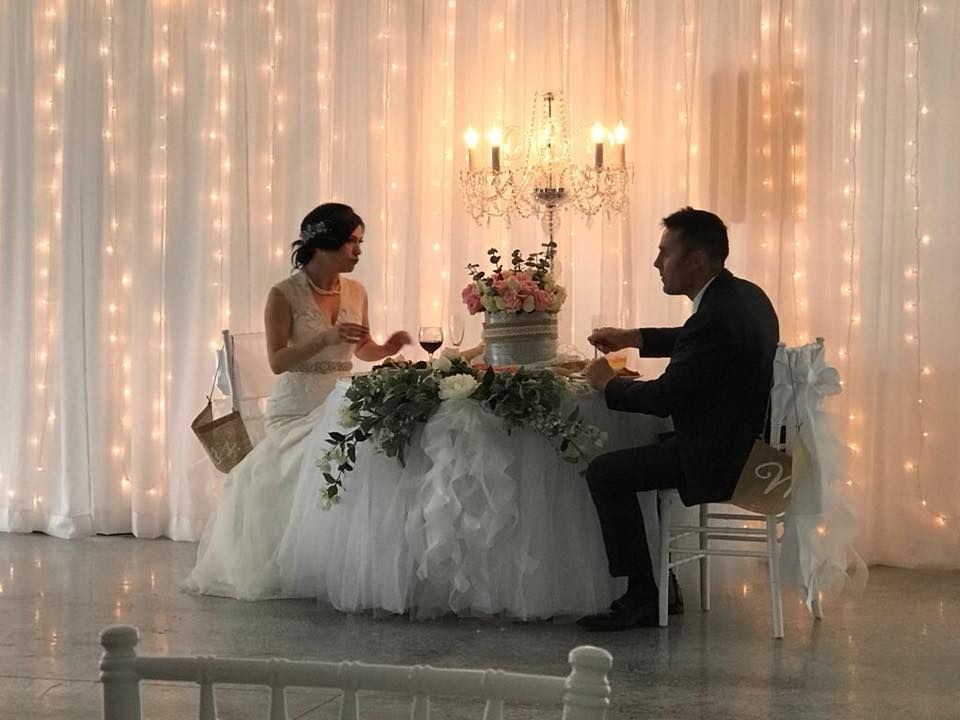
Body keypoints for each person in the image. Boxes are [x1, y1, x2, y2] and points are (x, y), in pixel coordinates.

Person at [183, 203, 410, 599]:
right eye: (352, 243)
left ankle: (342, 561)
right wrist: (322, 339)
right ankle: (298, 561)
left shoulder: (357, 291)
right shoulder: (283, 294)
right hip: (295, 408)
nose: (359, 251)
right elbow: (276, 362)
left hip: (341, 401)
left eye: (360, 243)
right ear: (325, 244)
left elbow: (362, 350)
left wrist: (386, 348)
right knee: (313, 459)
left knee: (370, 456)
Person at [580, 207, 779, 630]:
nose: (656, 264)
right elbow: (694, 341)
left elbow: (664, 397)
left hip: (723, 459)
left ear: (696, 261)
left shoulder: (715, 316)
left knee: (605, 472)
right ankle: (660, 583)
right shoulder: (744, 296)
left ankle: (641, 596)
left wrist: (607, 383)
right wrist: (634, 338)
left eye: (664, 254)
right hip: (750, 445)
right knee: (645, 454)